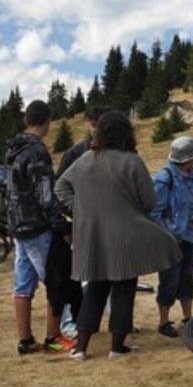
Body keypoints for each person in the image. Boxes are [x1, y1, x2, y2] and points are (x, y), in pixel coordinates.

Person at [54, 110, 181, 361]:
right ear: (127, 133)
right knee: (124, 289)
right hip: (125, 235)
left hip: (93, 236)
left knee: (95, 289)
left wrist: (80, 209)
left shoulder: (86, 159)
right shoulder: (132, 161)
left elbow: (60, 187)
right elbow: (149, 201)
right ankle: (116, 347)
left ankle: (80, 348)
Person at [5, 100, 66, 355]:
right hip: (37, 227)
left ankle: (25, 340)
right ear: (47, 121)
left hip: (18, 226)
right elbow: (45, 194)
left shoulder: (13, 149)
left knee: (23, 285)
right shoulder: (37, 152)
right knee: (56, 282)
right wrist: (60, 224)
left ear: (26, 120)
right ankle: (53, 337)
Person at [49, 106, 109, 344]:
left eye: (100, 123)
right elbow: (60, 189)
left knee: (111, 274)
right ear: (88, 124)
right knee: (79, 276)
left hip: (108, 225)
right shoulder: (76, 153)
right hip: (82, 225)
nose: (96, 128)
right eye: (93, 123)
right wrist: (75, 217)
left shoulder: (118, 153)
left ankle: (117, 320)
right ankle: (72, 322)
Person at [152, 136, 193, 338]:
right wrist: (169, 233)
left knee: (187, 278)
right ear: (189, 157)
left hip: (191, 236)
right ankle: (164, 321)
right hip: (171, 240)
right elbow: (155, 212)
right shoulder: (164, 178)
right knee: (169, 279)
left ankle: (188, 317)